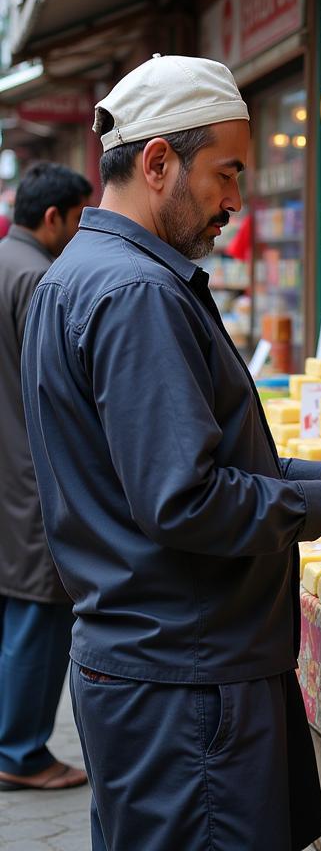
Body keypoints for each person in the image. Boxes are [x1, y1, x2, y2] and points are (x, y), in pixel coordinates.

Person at [20, 55, 321, 851]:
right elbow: (182, 497)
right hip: (184, 679)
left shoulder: (82, 274)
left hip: (154, 664)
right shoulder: (137, 293)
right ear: (159, 161)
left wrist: (318, 477)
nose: (235, 200)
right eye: (225, 172)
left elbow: (159, 466)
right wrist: (318, 506)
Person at [0, 163, 92, 792]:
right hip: (30, 473)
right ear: (53, 217)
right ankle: (23, 753)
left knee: (16, 613)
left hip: (8, 467)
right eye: (81, 217)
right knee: (39, 611)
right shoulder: (36, 278)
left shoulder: (5, 261)